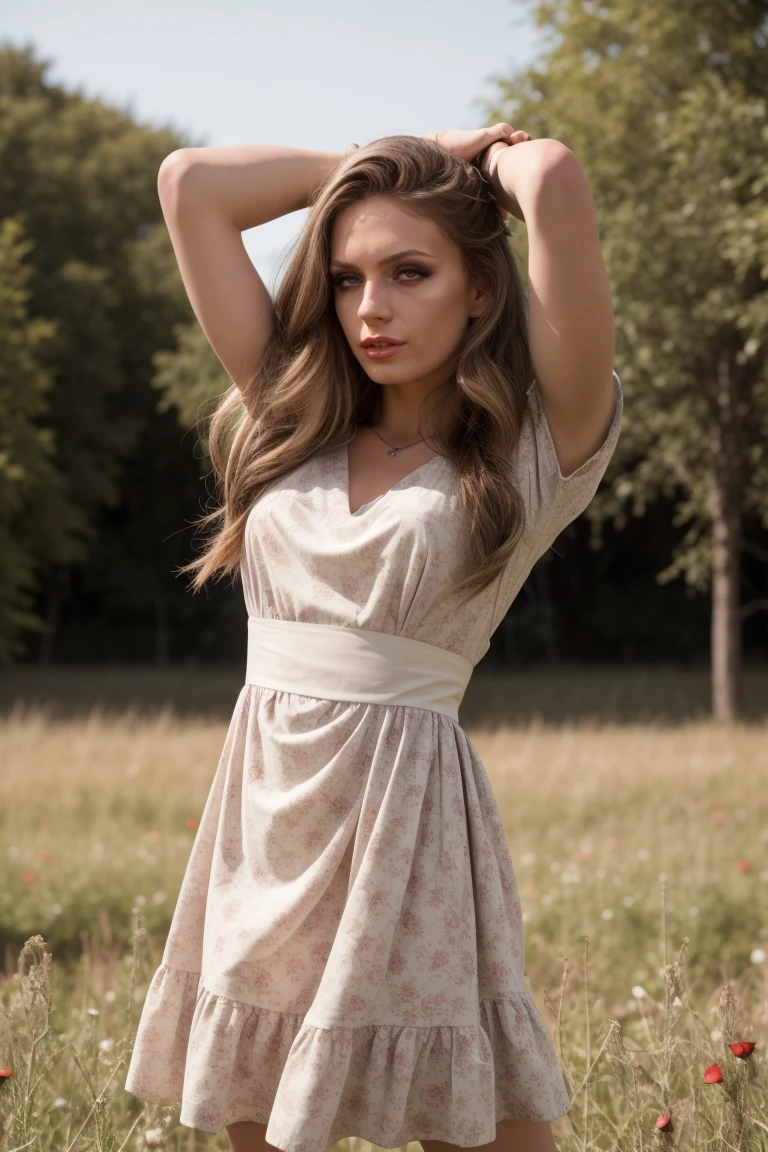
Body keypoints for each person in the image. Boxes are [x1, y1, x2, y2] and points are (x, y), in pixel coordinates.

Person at [124, 126, 623, 1152]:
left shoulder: (535, 449)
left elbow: (557, 178)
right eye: (347, 276)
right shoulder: (290, 411)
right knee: (260, 1124)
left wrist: (479, 170)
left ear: (481, 287)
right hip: (268, 821)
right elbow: (191, 187)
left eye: (410, 272)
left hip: (412, 831)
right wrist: (388, 158)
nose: (371, 309)